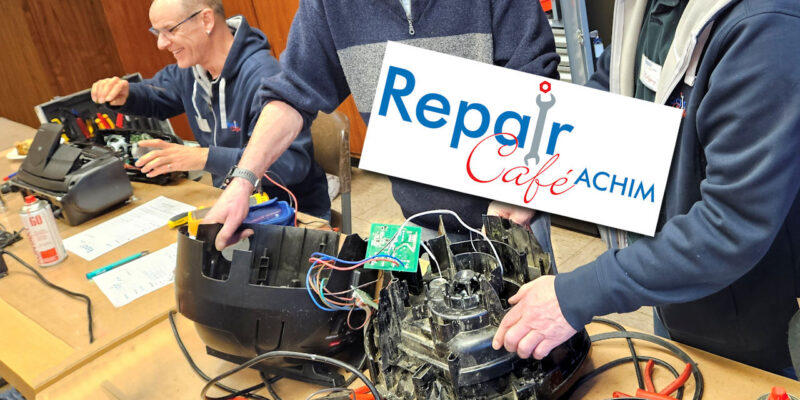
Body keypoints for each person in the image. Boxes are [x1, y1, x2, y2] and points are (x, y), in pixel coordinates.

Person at [491, 0, 800, 376]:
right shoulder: (649, 6)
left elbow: (732, 225)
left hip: (757, 324)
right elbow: (610, 93)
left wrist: (575, 295)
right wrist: (537, 180)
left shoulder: (765, 27)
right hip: (671, 287)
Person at [203, 0, 561, 253]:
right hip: (421, 219)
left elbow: (536, 80)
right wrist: (243, 181)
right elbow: (292, 95)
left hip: (509, 210)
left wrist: (516, 193)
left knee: (534, 331)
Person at [90, 0, 330, 219]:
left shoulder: (264, 76)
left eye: (170, 30)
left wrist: (202, 157)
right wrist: (126, 95)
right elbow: (157, 96)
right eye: (157, 33)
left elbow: (290, 165)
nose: (161, 44)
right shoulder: (190, 71)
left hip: (290, 214)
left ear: (206, 20)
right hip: (231, 202)